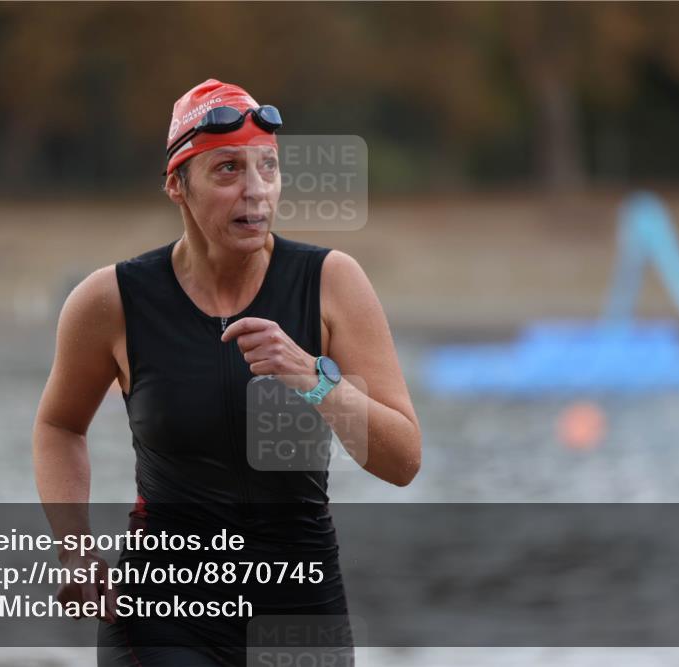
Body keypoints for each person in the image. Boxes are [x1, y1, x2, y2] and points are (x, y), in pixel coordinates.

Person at [32, 78, 421, 666]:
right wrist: (75, 548)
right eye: (228, 170)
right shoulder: (111, 300)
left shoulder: (331, 283)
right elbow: (59, 426)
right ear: (176, 185)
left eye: (268, 167)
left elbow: (403, 461)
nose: (256, 191)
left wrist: (315, 379)